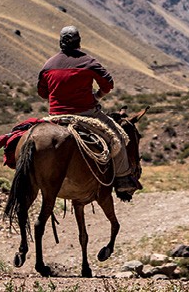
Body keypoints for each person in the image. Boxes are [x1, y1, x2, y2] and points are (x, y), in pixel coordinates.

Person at [37, 26, 140, 196]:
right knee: (119, 137)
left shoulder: (49, 64)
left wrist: (59, 97)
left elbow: (42, 93)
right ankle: (123, 179)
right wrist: (97, 96)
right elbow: (108, 83)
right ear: (79, 42)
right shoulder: (88, 62)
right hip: (86, 114)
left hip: (55, 116)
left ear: (60, 42)